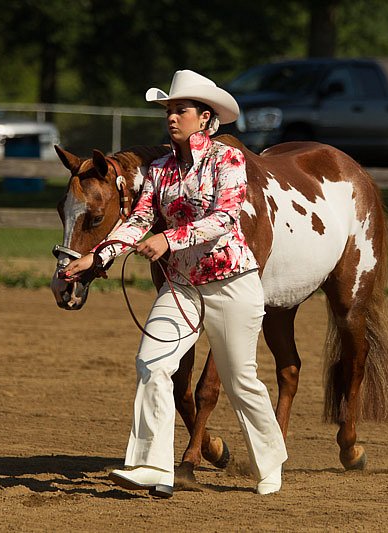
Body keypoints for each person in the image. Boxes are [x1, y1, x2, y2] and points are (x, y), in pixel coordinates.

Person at [62, 69, 287, 498]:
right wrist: (99, 255)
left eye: (181, 109)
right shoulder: (161, 170)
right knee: (152, 364)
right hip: (181, 287)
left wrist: (169, 238)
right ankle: (152, 465)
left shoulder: (229, 160)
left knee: (242, 382)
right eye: (169, 110)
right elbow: (141, 221)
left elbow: (224, 218)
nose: (172, 117)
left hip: (232, 282)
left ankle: (270, 461)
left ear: (205, 118)